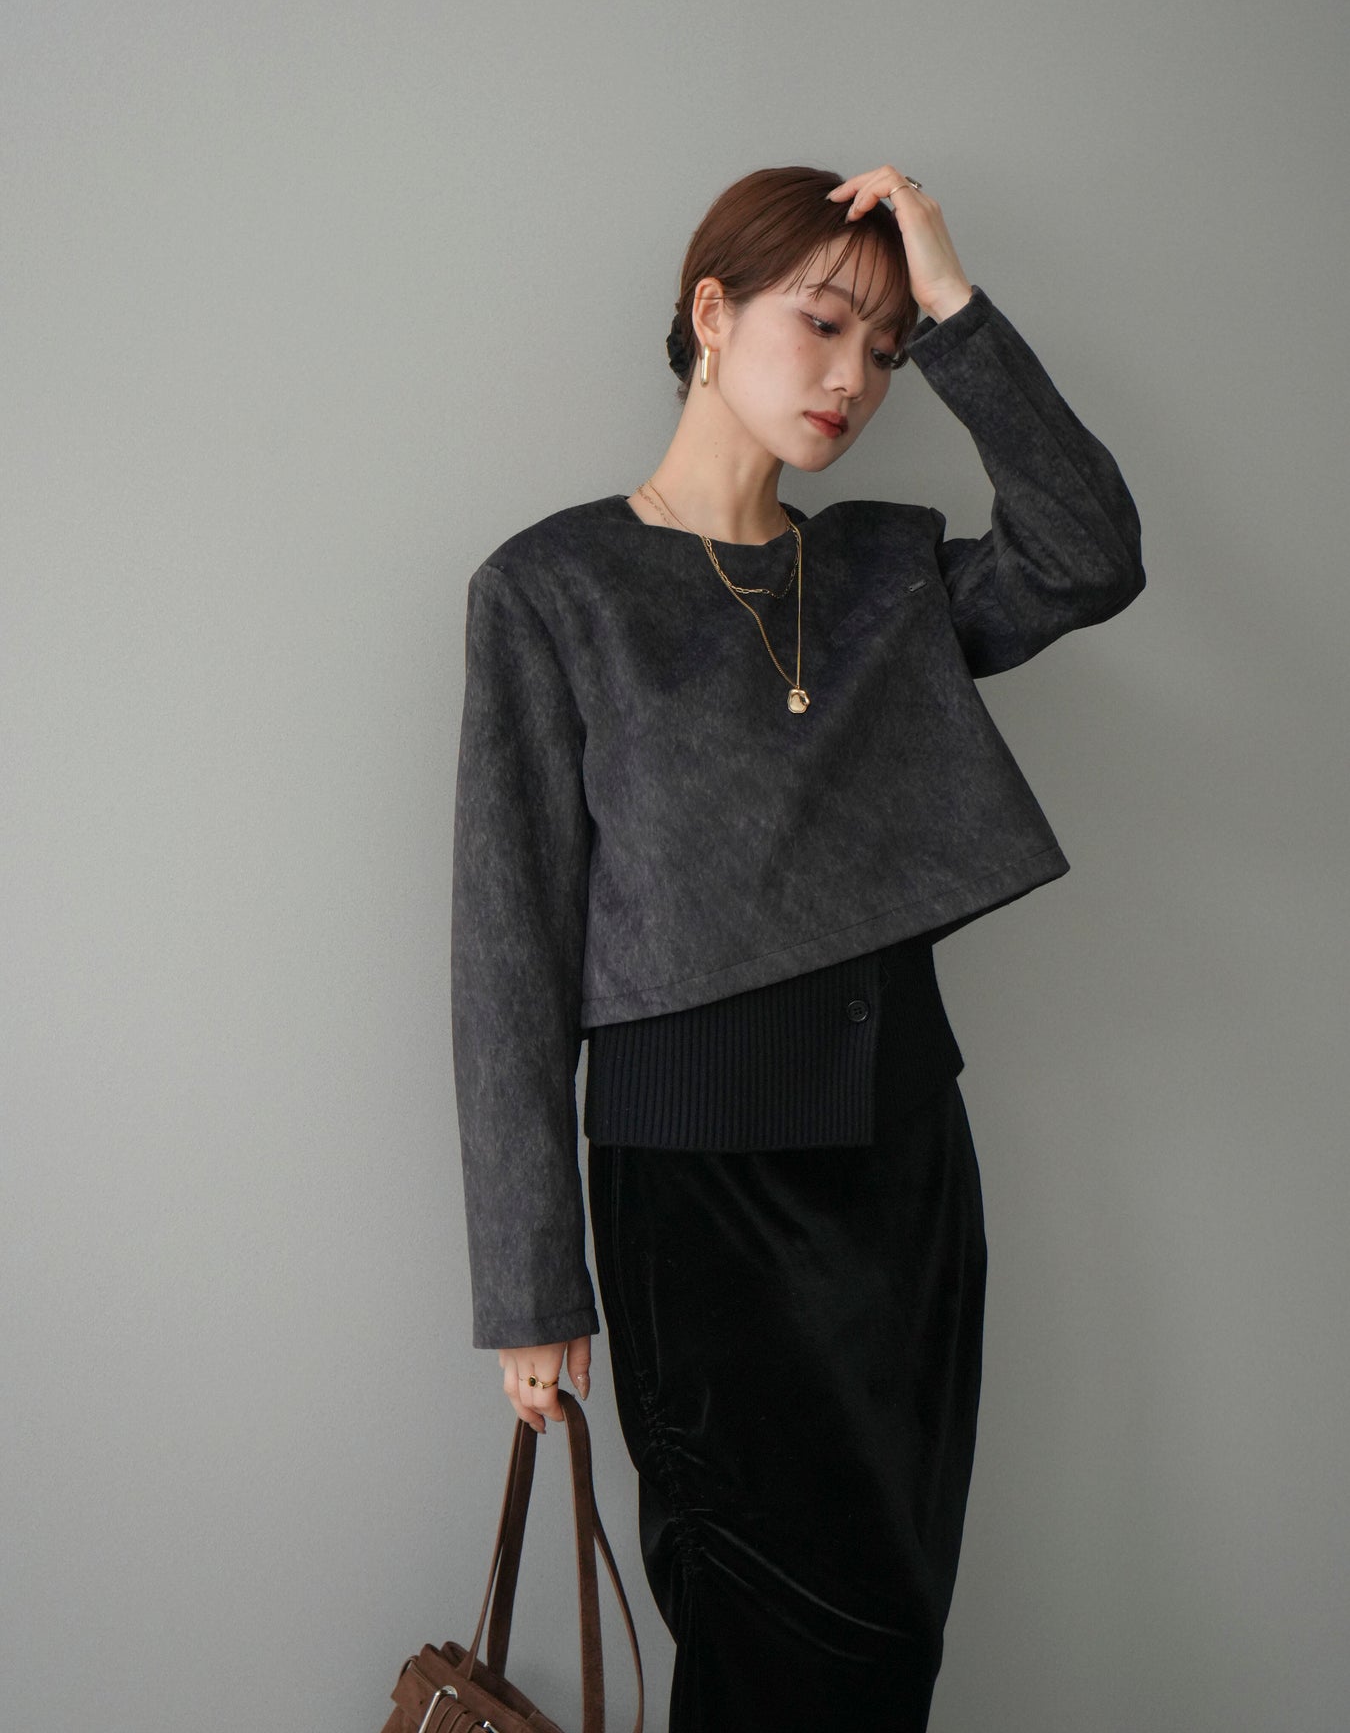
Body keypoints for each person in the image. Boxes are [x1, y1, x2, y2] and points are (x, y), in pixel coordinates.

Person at [449, 162, 1145, 1729]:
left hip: (905, 1177)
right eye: (823, 324)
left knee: (890, 1644)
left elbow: (1087, 553)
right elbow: (506, 951)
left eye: (884, 351)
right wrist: (529, 1280)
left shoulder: (886, 578)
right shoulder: (554, 589)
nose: (853, 378)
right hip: (698, 1202)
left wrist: (953, 305)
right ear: (710, 314)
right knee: (777, 1645)